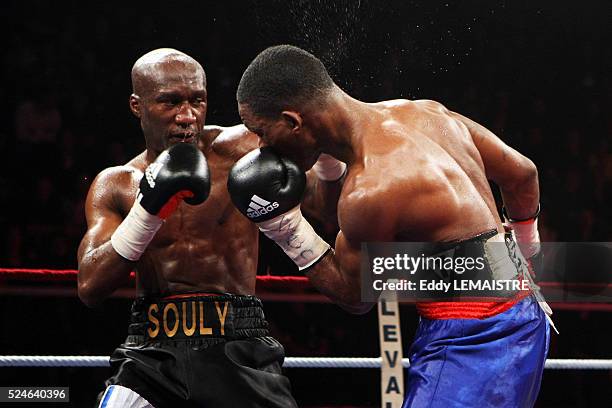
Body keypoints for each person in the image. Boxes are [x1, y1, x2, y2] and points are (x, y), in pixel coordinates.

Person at [227, 45, 552, 407]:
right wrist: (522, 253)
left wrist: (282, 227)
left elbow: (356, 295)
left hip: (476, 336)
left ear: (293, 122)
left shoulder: (370, 190)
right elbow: (523, 175)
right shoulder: (426, 113)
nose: (260, 145)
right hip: (527, 315)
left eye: (261, 131)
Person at [77, 48, 307, 408]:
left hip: (238, 343)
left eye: (197, 101)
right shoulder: (117, 183)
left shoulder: (243, 152)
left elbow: (325, 170)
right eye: (170, 102)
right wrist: (148, 210)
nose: (187, 116)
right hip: (151, 352)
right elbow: (90, 287)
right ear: (138, 106)